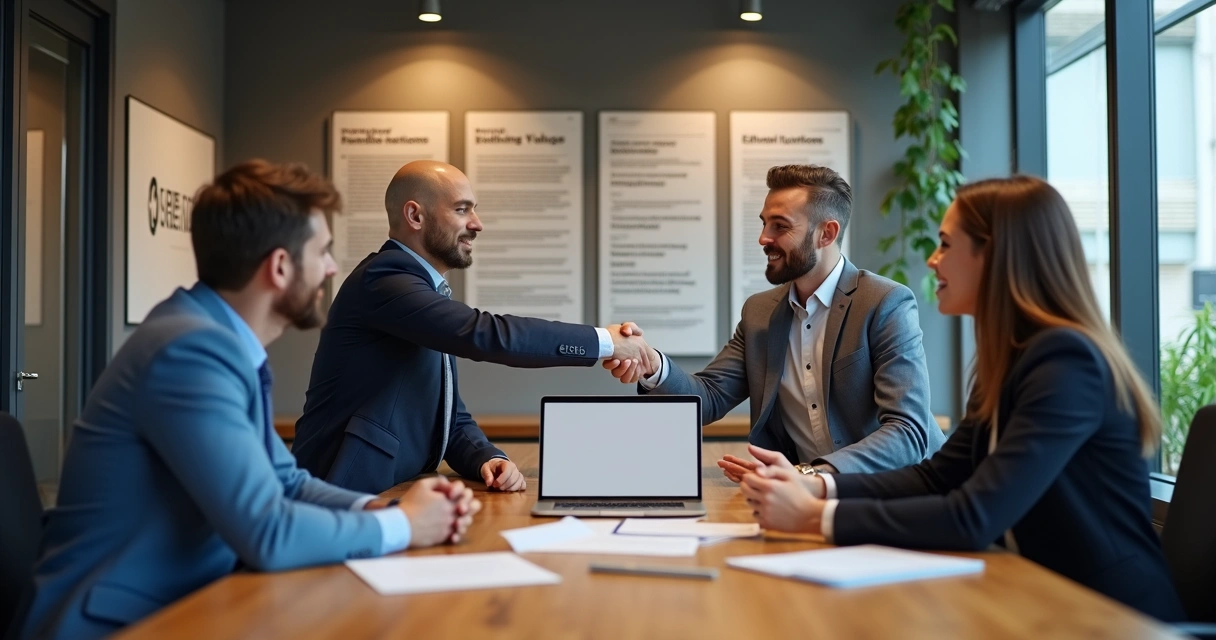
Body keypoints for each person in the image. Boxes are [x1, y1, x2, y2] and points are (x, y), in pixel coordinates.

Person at [22, 160, 481, 640]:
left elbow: (285, 482)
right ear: (280, 266)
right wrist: (405, 527)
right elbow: (268, 532)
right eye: (322, 252)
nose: (330, 267)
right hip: (120, 623)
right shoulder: (189, 352)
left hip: (193, 603)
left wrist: (384, 512)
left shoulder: (216, 338)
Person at [739, 175, 1186, 621]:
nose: (933, 261)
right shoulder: (1010, 361)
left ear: (994, 254)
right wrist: (815, 484)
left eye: (946, 244)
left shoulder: (1067, 363)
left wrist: (815, 516)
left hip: (1109, 615)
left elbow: (973, 517)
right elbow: (939, 477)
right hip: (1034, 598)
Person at [292, 160, 650, 494]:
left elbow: (446, 409)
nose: (477, 224)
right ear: (415, 215)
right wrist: (606, 342)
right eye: (462, 209)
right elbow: (486, 334)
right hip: (340, 494)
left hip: (395, 492)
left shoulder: (419, 289)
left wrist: (485, 457)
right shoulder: (384, 279)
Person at [606, 164, 944, 475]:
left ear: (826, 234)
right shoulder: (760, 313)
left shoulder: (885, 302)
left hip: (905, 492)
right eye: (764, 223)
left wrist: (808, 475)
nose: (763, 238)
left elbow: (907, 432)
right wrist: (652, 365)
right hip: (808, 496)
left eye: (780, 226)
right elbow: (708, 397)